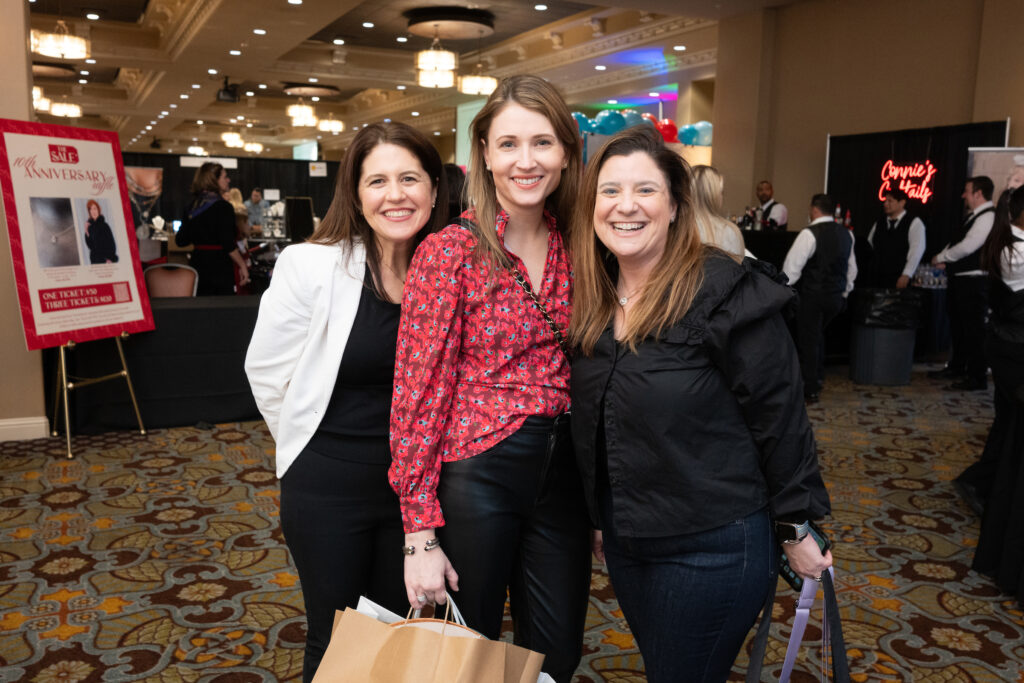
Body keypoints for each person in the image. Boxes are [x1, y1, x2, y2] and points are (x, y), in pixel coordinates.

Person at [568, 126, 832, 682]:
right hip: (627, 538)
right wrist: (599, 513)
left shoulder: (721, 288)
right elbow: (599, 420)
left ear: (674, 204)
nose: (626, 206)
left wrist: (794, 526)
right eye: (609, 192)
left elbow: (779, 416)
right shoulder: (591, 296)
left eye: (645, 190)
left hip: (711, 543)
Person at [388, 74, 591, 683]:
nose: (525, 161)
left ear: (565, 153)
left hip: (565, 476)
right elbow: (416, 394)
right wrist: (418, 532)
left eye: (542, 143)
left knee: (558, 650)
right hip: (479, 471)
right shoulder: (449, 251)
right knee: (467, 655)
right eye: (508, 144)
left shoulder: (582, 245)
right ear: (484, 153)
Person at [245, 122, 448, 682]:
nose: (395, 194)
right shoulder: (312, 265)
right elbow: (266, 373)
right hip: (329, 487)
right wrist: (308, 447)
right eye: (377, 180)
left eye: (409, 178)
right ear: (356, 194)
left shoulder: (451, 267)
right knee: (337, 640)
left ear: (433, 186)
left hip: (418, 494)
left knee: (400, 635)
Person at [969, 184, 1024, 607]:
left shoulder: (1006, 243)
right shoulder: (1015, 250)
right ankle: (988, 485)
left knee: (1007, 427)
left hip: (1006, 347)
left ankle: (989, 484)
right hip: (1012, 351)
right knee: (1009, 427)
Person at [783, 193, 857, 403]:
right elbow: (851, 270)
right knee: (818, 336)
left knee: (808, 341)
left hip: (812, 296)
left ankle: (811, 388)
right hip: (835, 298)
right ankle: (818, 377)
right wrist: (844, 293)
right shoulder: (847, 234)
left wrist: (782, 290)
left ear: (814, 209)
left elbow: (791, 268)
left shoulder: (809, 234)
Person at [929, 176, 996, 391]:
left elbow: (968, 246)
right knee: (958, 326)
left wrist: (942, 257)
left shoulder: (987, 217)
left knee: (973, 330)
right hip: (962, 278)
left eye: (966, 191)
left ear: (978, 194)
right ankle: (958, 366)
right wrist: (945, 257)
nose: (963, 196)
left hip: (974, 281)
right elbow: (958, 241)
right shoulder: (973, 217)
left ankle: (976, 377)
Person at [176, 162, 249, 295]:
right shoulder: (223, 207)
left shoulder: (191, 206)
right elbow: (228, 244)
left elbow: (181, 241)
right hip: (219, 267)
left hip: (197, 265)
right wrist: (242, 265)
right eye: (224, 177)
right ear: (213, 180)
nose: (228, 180)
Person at [866, 188, 925, 289]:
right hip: (877, 279)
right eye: (885, 201)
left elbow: (916, 250)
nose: (885, 204)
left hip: (899, 277)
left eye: (890, 201)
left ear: (902, 203)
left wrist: (907, 274)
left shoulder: (914, 222)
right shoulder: (879, 223)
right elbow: (869, 245)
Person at [690, 165, 745, 261]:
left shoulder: (673, 228)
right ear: (715, 195)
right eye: (721, 192)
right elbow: (738, 272)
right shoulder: (730, 232)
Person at [83, 200, 118, 264]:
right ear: (89, 212)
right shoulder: (90, 227)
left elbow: (112, 244)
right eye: (90, 209)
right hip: (95, 260)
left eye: (95, 208)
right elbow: (90, 245)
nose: (93, 211)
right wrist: (86, 230)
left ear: (98, 210)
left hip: (106, 260)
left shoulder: (105, 225)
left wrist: (109, 259)